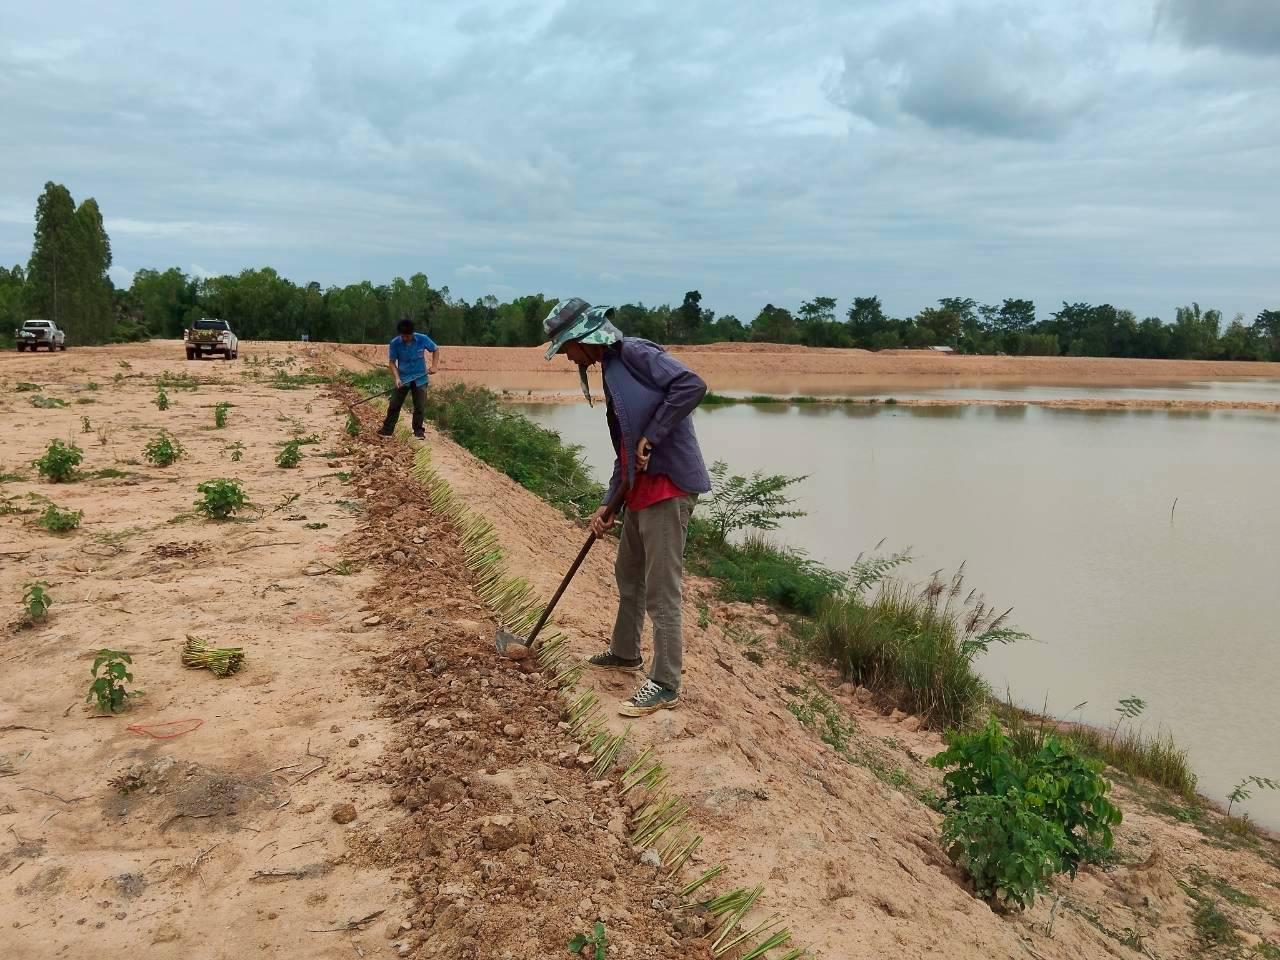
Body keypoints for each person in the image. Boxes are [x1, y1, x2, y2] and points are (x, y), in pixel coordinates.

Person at [543, 298, 710, 716]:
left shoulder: (634, 352)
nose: (568, 357)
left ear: (584, 339)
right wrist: (608, 503)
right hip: (639, 490)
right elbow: (626, 449)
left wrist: (652, 436)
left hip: (667, 489)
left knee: (661, 590)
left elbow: (691, 385)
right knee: (628, 575)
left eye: (567, 348)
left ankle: (665, 682)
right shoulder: (612, 371)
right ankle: (624, 652)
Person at [380, 317, 439, 439]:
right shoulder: (395, 343)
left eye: (407, 336)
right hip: (403, 379)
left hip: (420, 379)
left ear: (412, 333)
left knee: (419, 406)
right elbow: (391, 362)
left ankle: (418, 431)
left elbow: (435, 349)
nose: (405, 338)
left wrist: (434, 366)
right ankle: (387, 430)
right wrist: (397, 378)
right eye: (403, 336)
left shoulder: (422, 339)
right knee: (394, 405)